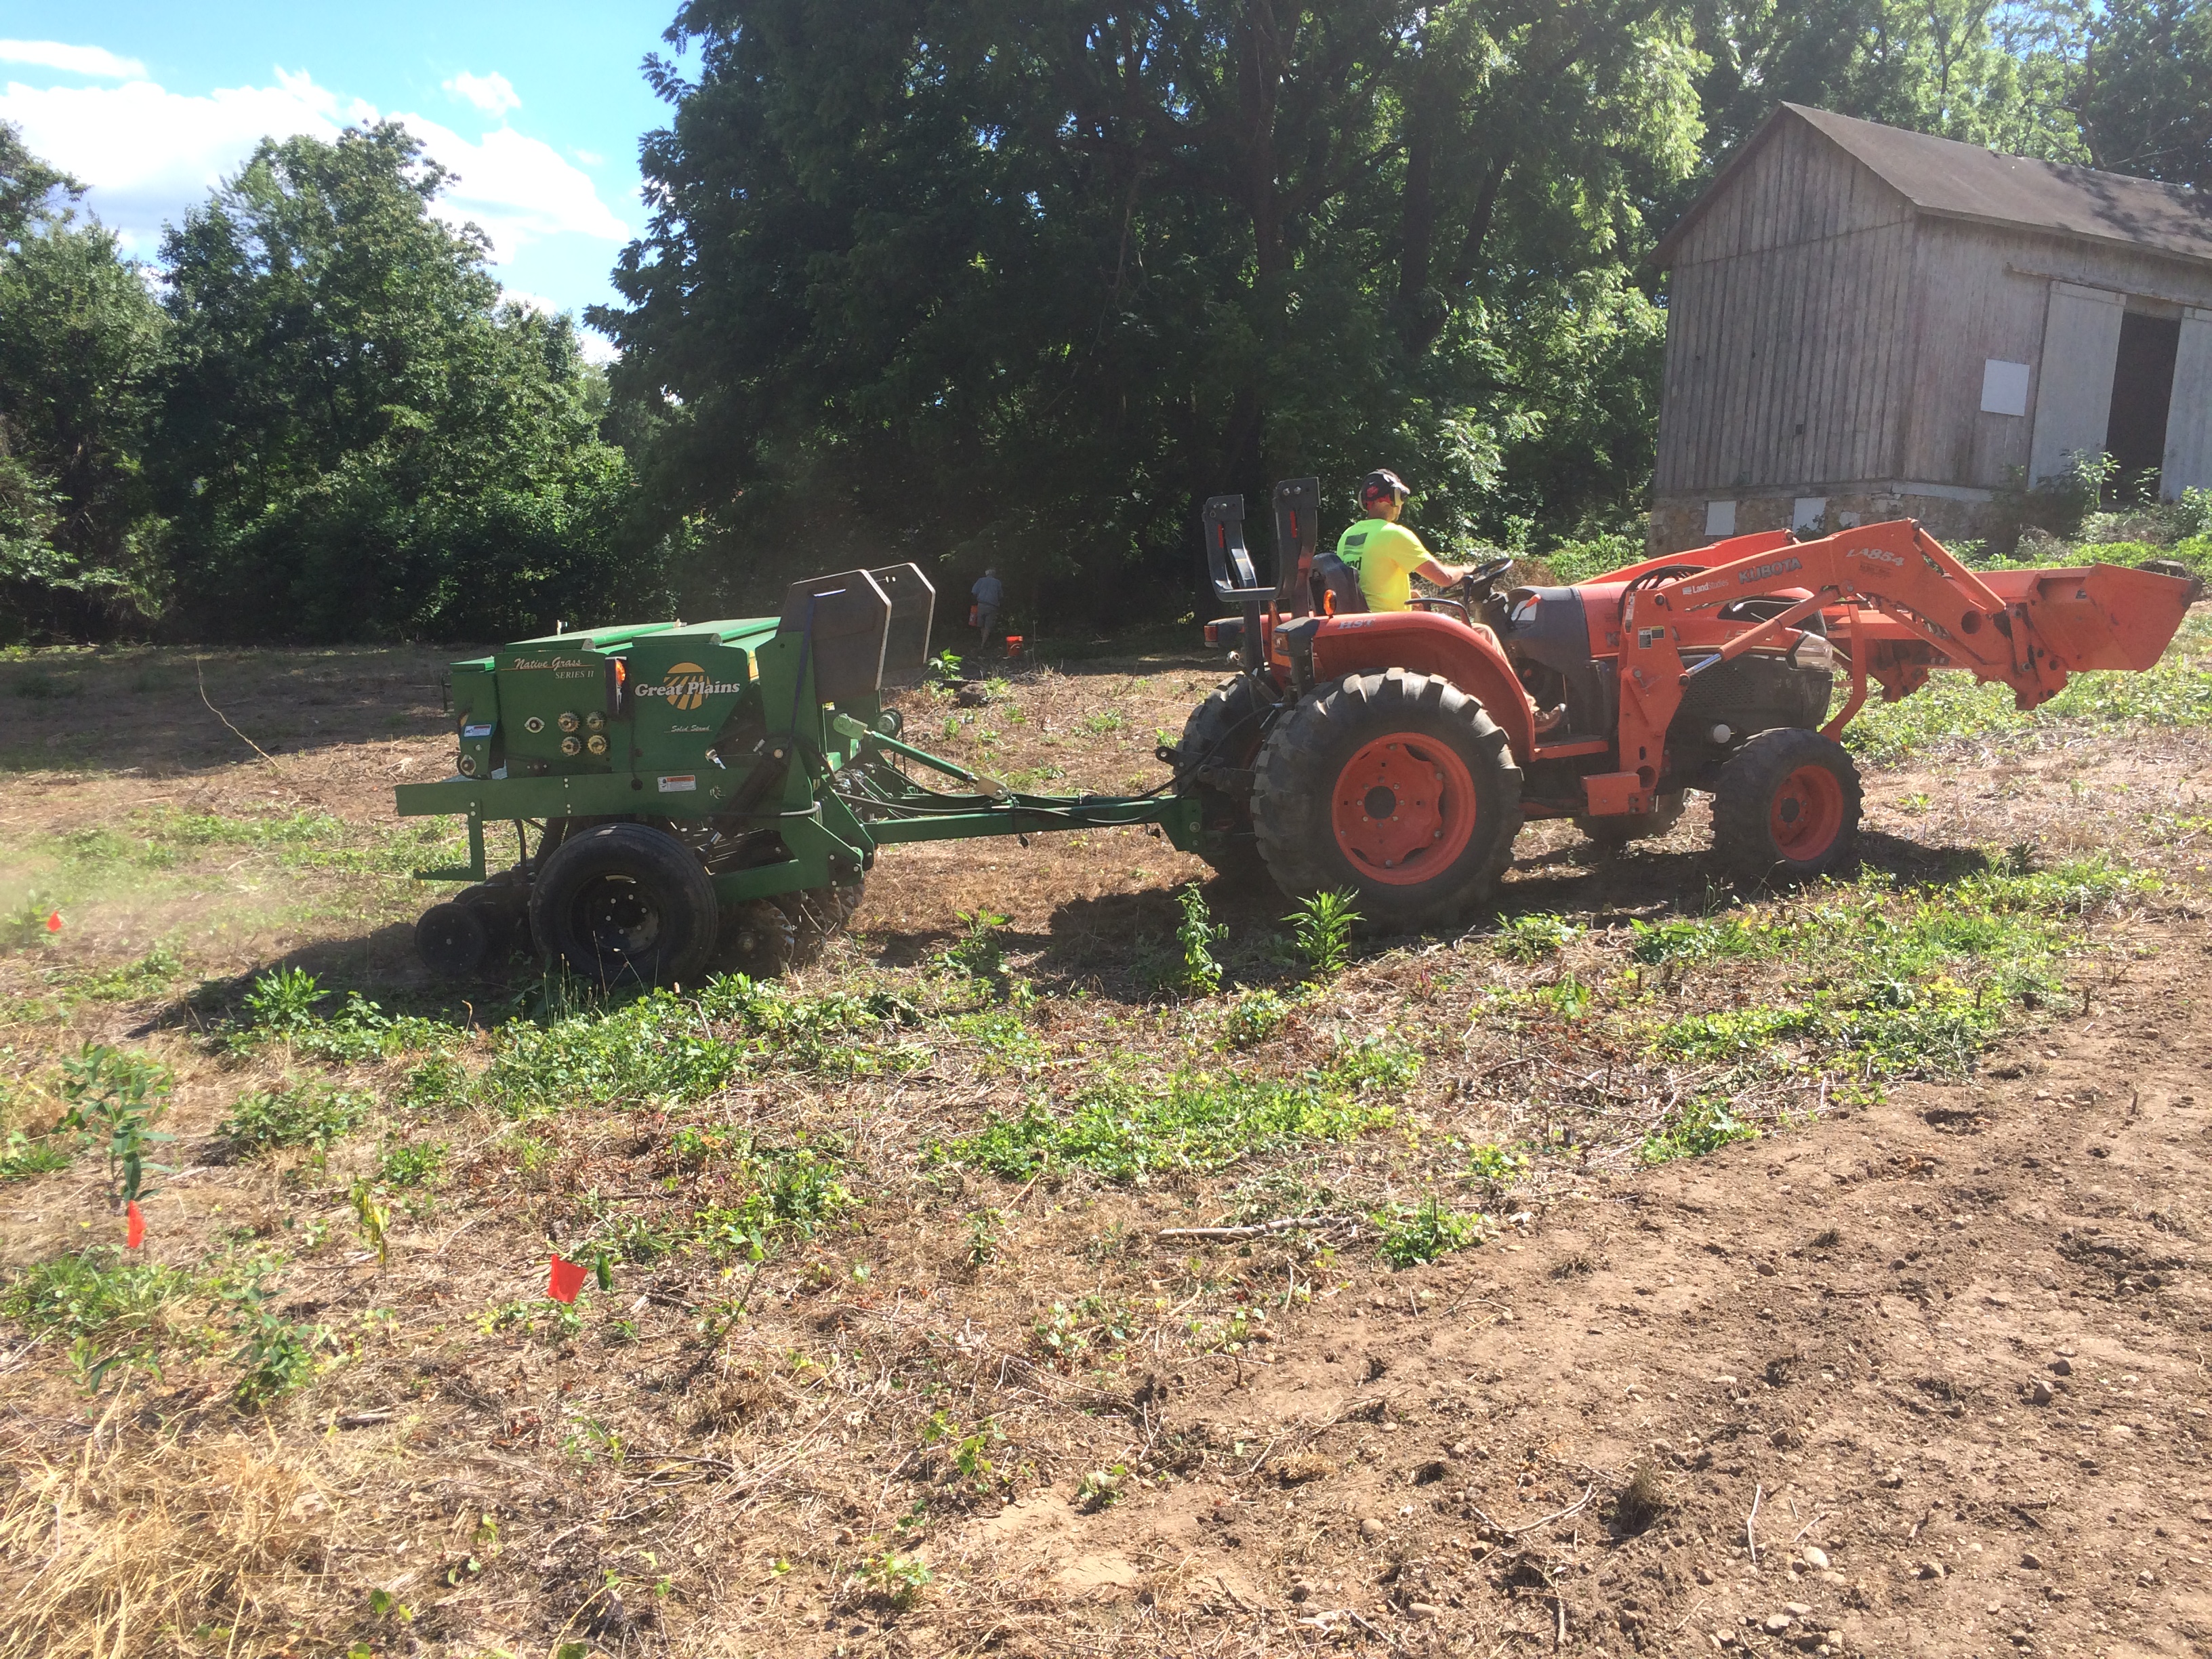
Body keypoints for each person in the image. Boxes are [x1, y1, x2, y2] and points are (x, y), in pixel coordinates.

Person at [1334, 470, 1477, 612]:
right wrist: (1465, 570)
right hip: (1390, 626)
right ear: (1396, 496)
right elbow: (1444, 578)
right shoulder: (1393, 534)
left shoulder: (1347, 535)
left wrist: (1405, 595)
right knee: (1483, 631)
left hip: (1364, 624)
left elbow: (1366, 585)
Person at [971, 567, 1004, 647]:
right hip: (992, 606)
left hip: (981, 605)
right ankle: (983, 643)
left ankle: (983, 643)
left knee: (981, 625)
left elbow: (974, 592)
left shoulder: (980, 581)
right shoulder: (997, 582)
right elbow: (1001, 596)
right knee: (988, 626)